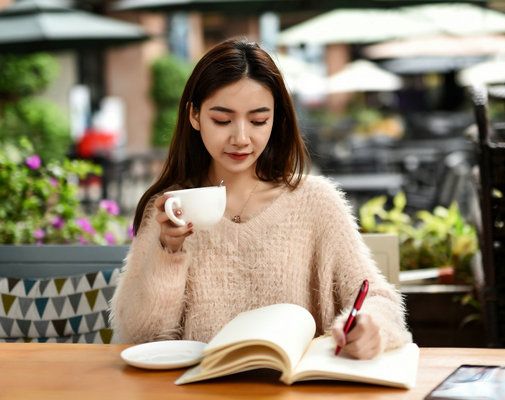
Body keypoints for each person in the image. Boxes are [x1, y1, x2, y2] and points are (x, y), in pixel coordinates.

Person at [109, 38, 411, 360]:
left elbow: (379, 299)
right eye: (222, 120)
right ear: (194, 116)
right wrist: (168, 251)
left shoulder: (316, 203)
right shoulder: (171, 207)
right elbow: (140, 337)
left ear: (276, 120)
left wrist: (370, 326)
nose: (240, 138)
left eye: (258, 121)